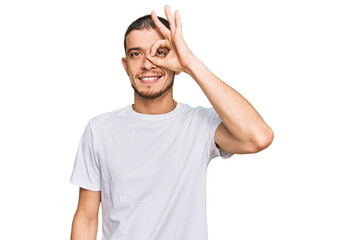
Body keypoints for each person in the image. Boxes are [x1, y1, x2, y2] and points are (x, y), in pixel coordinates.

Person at [69, 5, 273, 240]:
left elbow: (259, 137)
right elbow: (86, 217)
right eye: (136, 54)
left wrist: (190, 64)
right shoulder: (100, 130)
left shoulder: (199, 125)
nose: (147, 64)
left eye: (160, 53)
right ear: (125, 66)